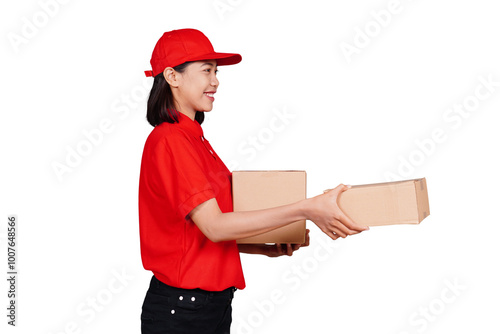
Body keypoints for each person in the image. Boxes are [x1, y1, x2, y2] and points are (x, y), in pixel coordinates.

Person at [138, 28, 369, 334]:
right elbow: (215, 226)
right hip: (182, 310)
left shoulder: (194, 140)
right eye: (207, 70)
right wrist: (305, 209)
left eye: (216, 71)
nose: (216, 81)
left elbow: (197, 235)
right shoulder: (171, 141)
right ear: (172, 76)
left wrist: (263, 247)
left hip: (207, 306)